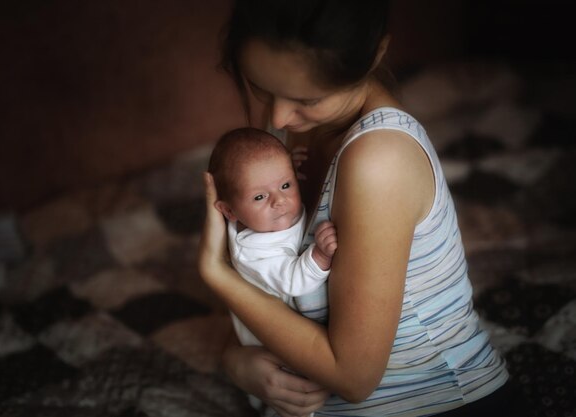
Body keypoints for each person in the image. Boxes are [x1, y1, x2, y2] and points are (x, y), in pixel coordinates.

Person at [198, 1, 527, 416]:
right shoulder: (291, 126)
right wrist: (236, 359)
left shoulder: (379, 160)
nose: (278, 116)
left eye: (307, 98)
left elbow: (353, 379)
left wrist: (216, 272)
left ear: (374, 55)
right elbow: (271, 285)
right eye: (261, 87)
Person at [207, 126, 337, 414]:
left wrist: (289, 170)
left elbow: (269, 182)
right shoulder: (254, 251)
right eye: (259, 198)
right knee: (298, 400)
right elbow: (293, 280)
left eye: (286, 185)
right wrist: (319, 255)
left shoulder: (265, 214)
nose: (279, 201)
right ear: (229, 211)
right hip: (276, 350)